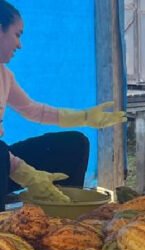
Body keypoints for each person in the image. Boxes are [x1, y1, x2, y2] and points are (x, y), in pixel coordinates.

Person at [0, 0, 124, 208]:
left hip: (4, 162)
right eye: (17, 34)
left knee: (74, 145)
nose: (20, 45)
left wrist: (84, 117)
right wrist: (28, 175)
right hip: (3, 162)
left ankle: (62, 217)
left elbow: (33, 110)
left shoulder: (4, 75)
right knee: (2, 155)